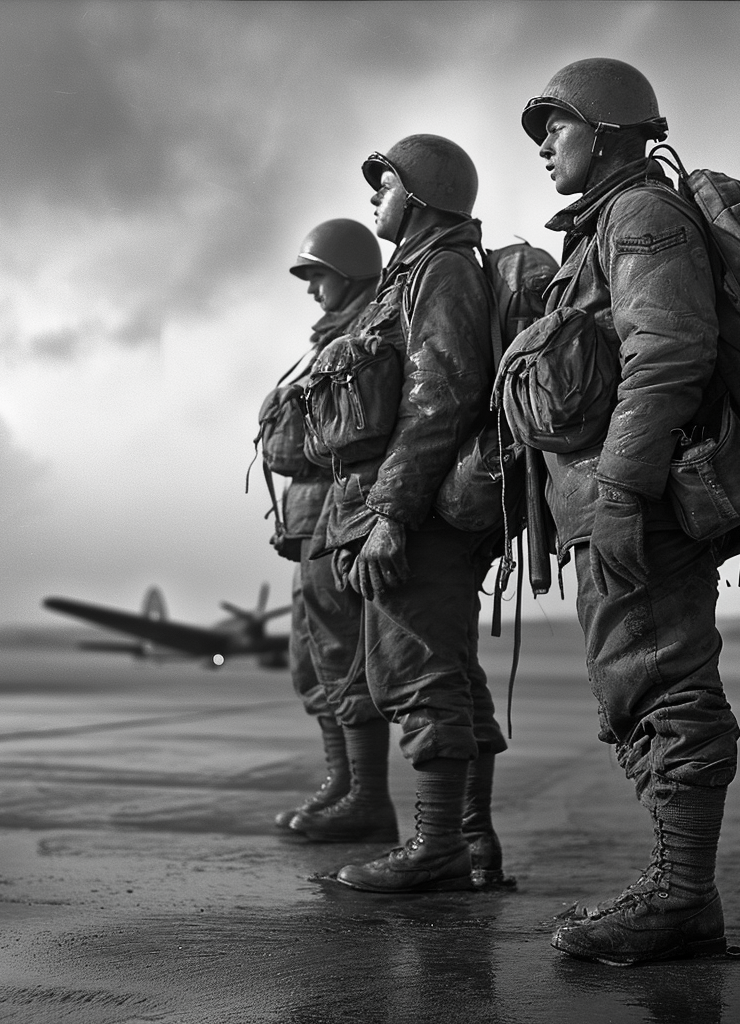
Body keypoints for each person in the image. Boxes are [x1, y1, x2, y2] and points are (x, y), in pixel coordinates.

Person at [520, 59, 740, 964]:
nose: (543, 146)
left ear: (609, 133)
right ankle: (679, 891)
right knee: (639, 682)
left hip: (639, 506)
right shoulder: (605, 225)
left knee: (667, 683)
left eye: (557, 126)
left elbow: (668, 356)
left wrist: (617, 489)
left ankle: (683, 897)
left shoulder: (643, 217)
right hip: (619, 502)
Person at [308, 135, 508, 892]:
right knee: (435, 670)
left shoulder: (441, 271)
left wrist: (390, 511)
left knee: (420, 675)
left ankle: (438, 850)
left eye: (384, 184)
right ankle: (467, 840)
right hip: (405, 504)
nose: (372, 198)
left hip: (416, 512)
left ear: (420, 196)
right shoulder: (414, 274)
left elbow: (439, 398)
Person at [261, 218, 397, 844]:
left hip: (341, 516)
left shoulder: (369, 331)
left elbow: (354, 431)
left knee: (342, 656)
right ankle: (342, 786)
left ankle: (366, 796)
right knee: (311, 662)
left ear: (346, 274)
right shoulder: (328, 339)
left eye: (318, 276)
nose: (312, 289)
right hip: (311, 522)